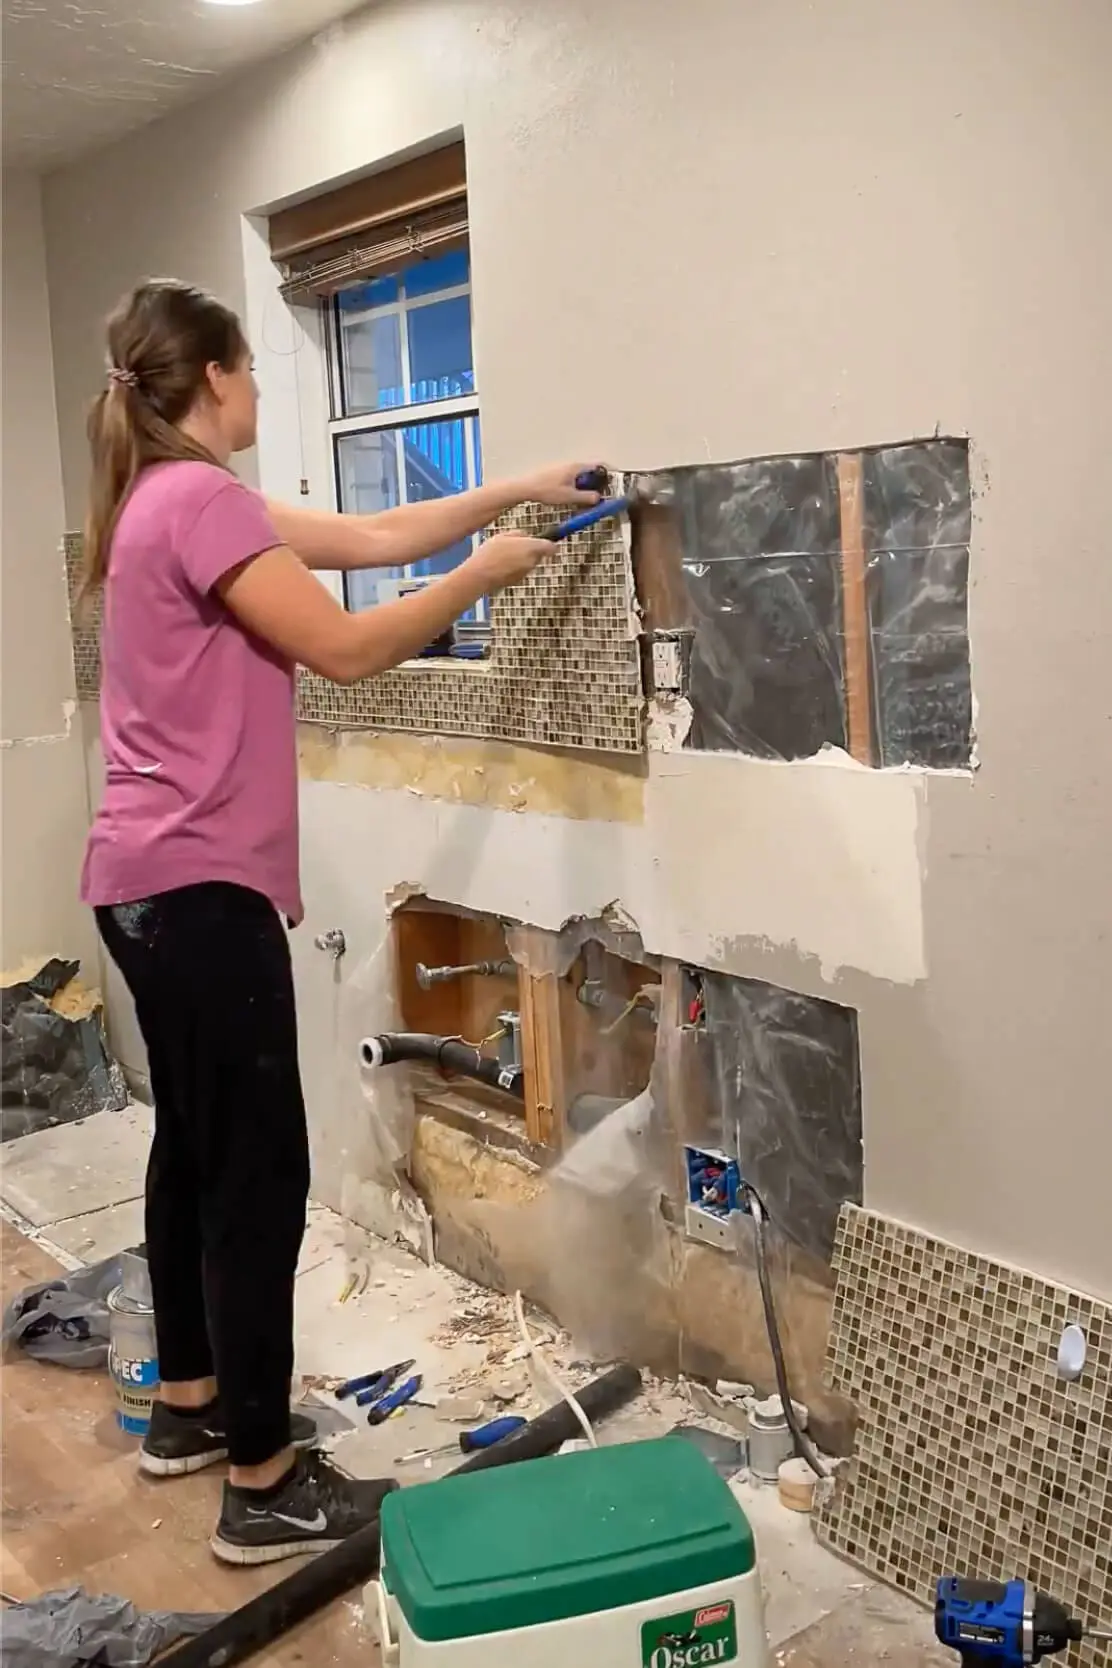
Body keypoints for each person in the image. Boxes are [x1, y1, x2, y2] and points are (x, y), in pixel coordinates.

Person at [81, 277, 601, 1565]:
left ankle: (192, 1408)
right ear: (213, 380)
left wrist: (513, 486)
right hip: (199, 890)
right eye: (252, 371)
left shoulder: (166, 500)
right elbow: (352, 649)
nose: (260, 392)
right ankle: (264, 1482)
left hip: (139, 886)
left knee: (192, 1149)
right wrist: (484, 574)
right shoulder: (201, 500)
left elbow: (371, 542)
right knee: (258, 1177)